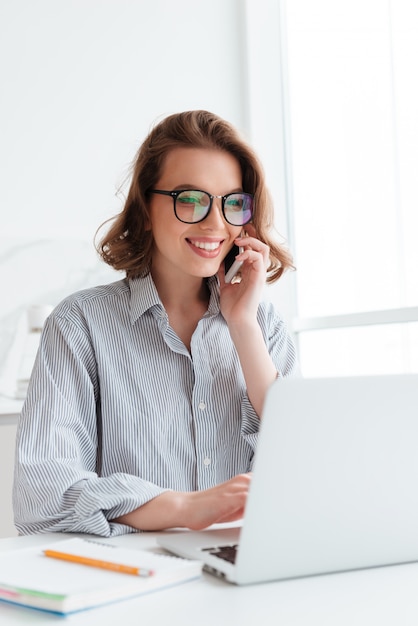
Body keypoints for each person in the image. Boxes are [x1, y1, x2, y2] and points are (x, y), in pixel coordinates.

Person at [13, 110, 297, 537]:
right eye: (190, 199)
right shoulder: (80, 325)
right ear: (146, 208)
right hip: (130, 580)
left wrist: (242, 326)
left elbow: (302, 470)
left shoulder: (263, 325)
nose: (215, 223)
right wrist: (184, 508)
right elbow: (43, 496)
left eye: (232, 203)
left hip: (245, 566)